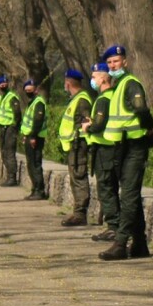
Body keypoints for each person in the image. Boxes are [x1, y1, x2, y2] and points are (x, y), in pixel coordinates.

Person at [98, 45, 153, 261]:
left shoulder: (130, 84)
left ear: (125, 62)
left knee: (128, 195)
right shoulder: (119, 85)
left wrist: (150, 126)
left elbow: (141, 109)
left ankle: (121, 243)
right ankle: (140, 244)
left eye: (117, 61)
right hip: (122, 147)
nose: (113, 65)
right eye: (110, 62)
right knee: (131, 195)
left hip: (135, 145)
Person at [82, 61, 120, 241]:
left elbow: (99, 125)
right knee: (109, 187)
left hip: (105, 151)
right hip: (111, 149)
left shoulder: (104, 99)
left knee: (106, 188)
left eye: (95, 77)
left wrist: (88, 127)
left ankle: (113, 226)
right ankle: (113, 225)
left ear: (104, 78)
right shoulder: (114, 96)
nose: (92, 80)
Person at [58, 68, 94, 226]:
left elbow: (87, 121)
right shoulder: (75, 99)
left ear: (68, 83)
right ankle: (77, 211)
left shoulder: (82, 100)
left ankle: (80, 213)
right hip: (73, 145)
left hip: (79, 145)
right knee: (75, 178)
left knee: (79, 178)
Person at [20, 78, 48, 200]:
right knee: (31, 164)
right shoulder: (32, 103)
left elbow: (37, 121)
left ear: (36, 90)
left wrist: (32, 136)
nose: (28, 92)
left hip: (36, 138)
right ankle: (34, 189)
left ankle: (39, 190)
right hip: (30, 137)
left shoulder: (38, 103)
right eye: (26, 90)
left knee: (35, 164)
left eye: (30, 90)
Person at [0, 75, 22, 186]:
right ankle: (8, 176)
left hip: (10, 128)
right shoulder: (0, 98)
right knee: (3, 152)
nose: (3, 85)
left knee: (10, 153)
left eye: (4, 83)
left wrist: (14, 126)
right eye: (1, 84)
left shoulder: (12, 97)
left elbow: (17, 114)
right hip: (2, 128)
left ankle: (12, 177)